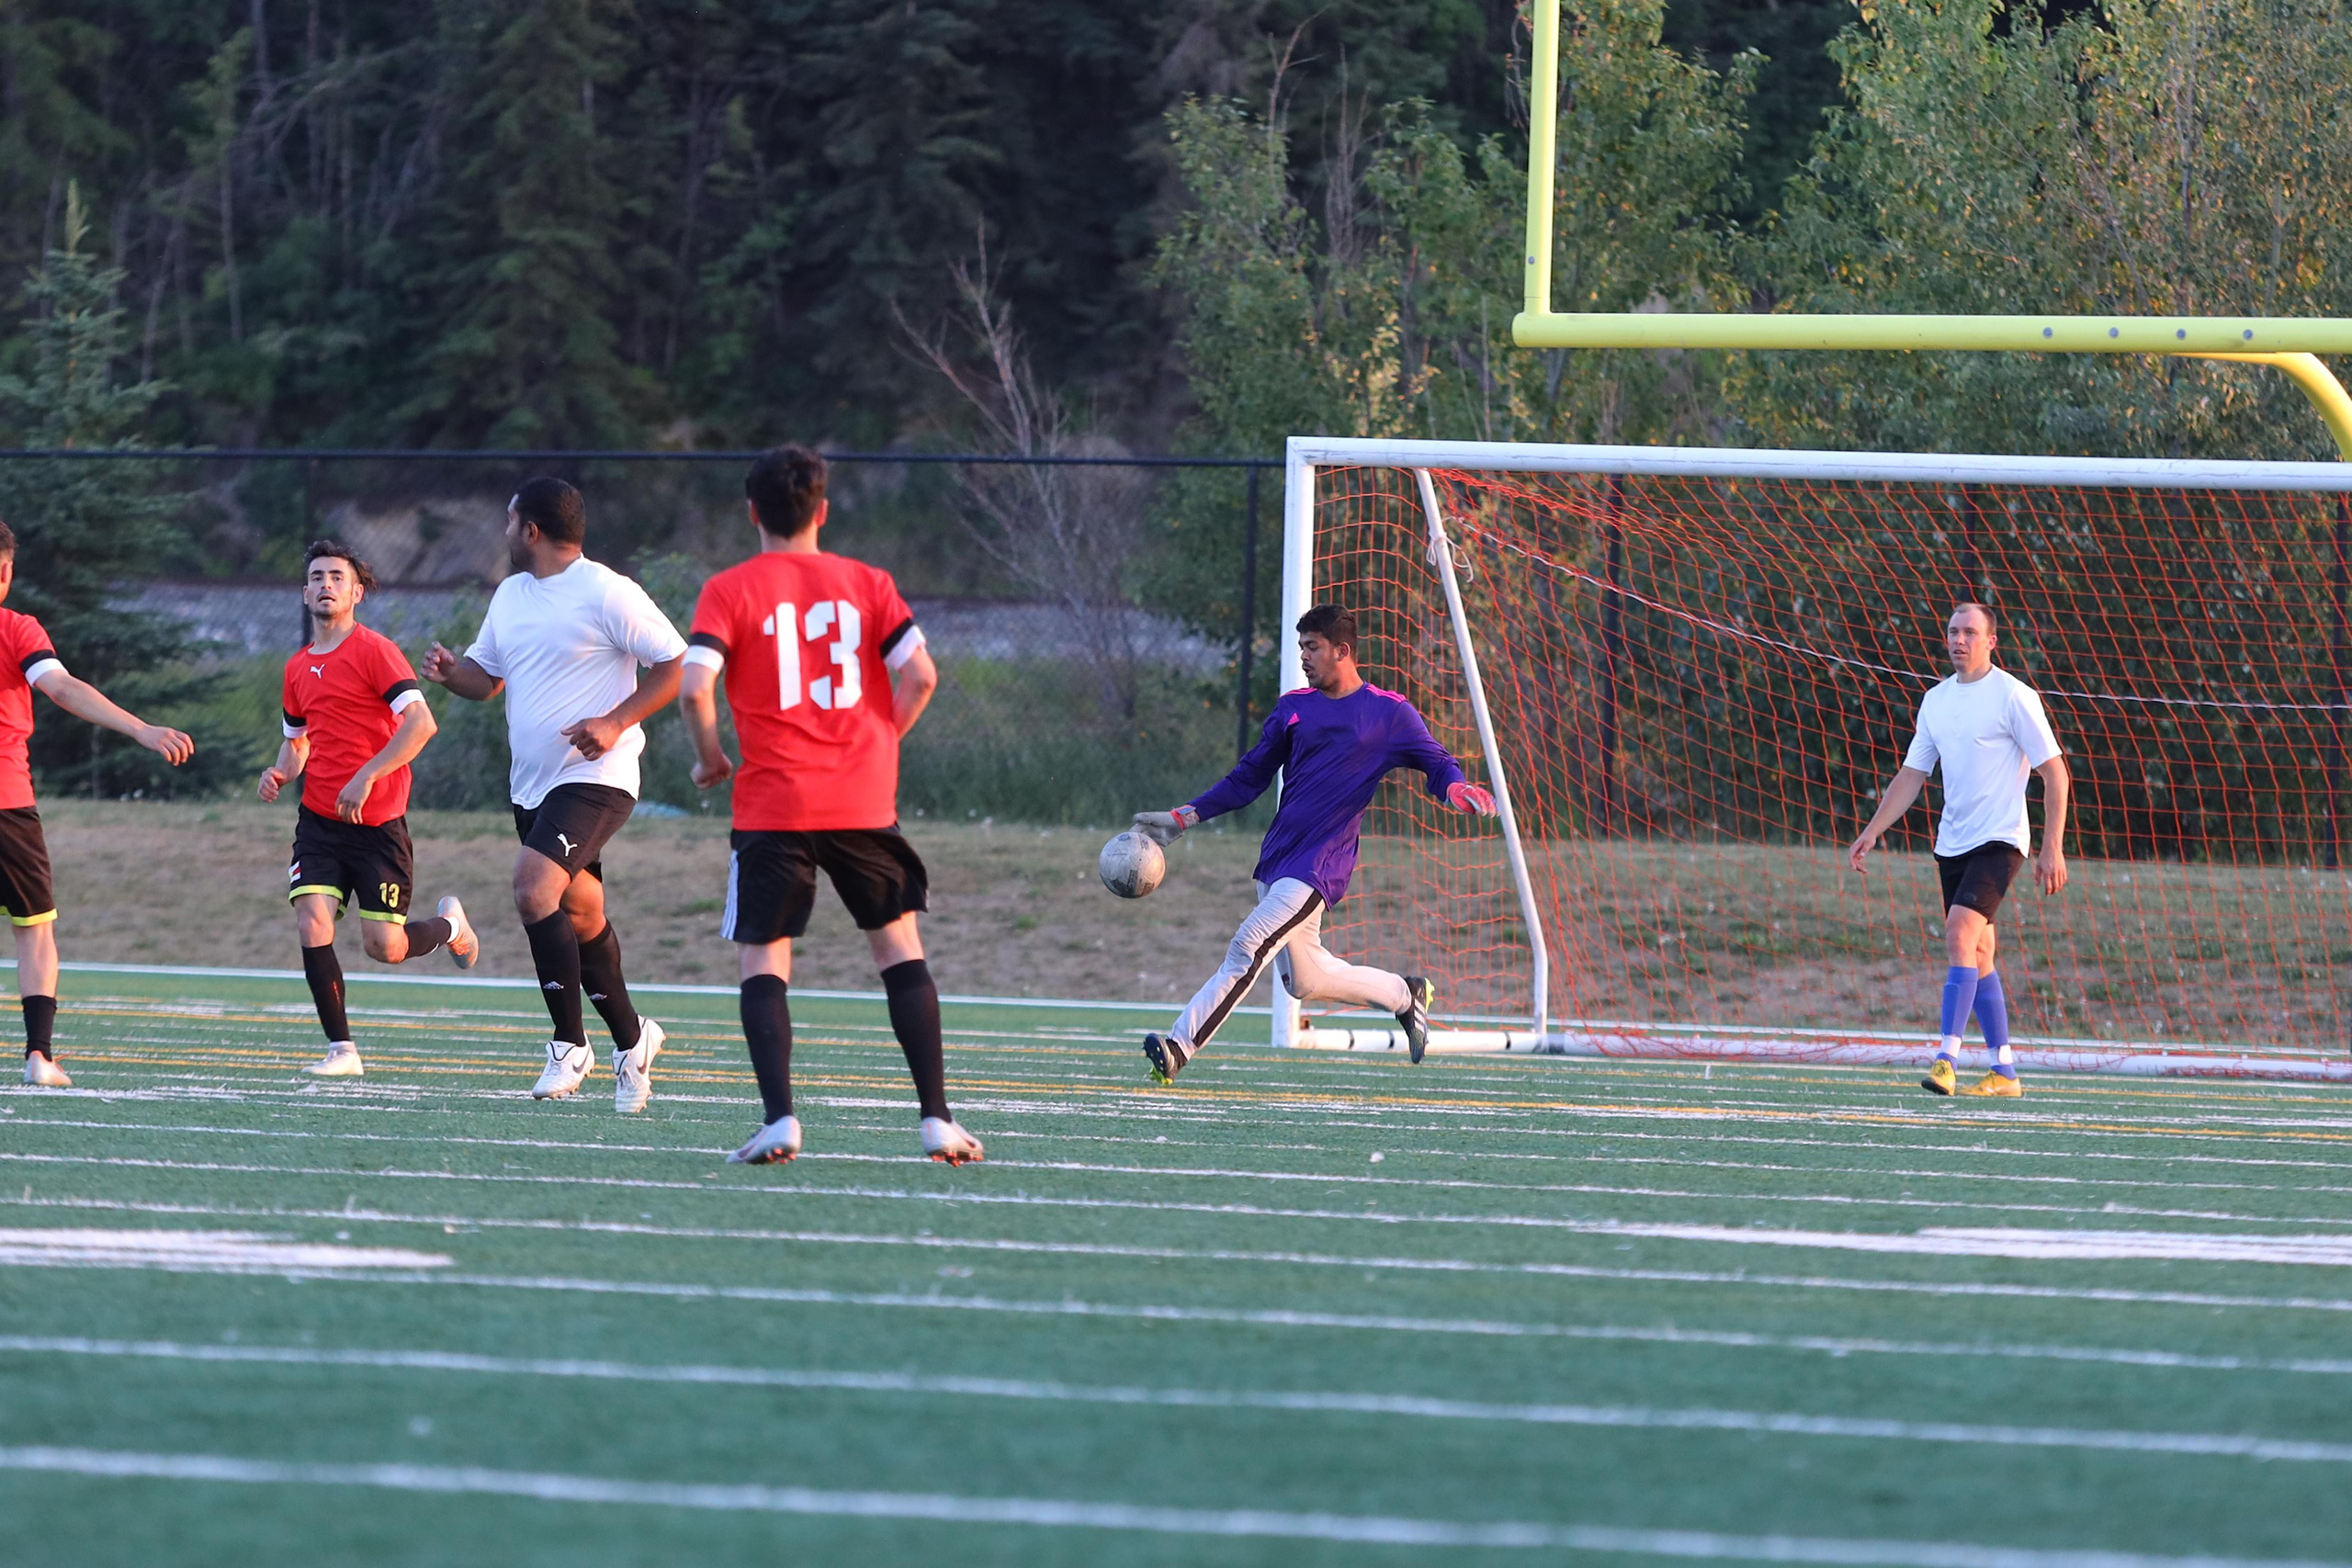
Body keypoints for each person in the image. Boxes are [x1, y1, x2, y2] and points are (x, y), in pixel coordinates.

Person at [679, 444, 981, 1166]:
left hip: (775, 802)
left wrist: (710, 758)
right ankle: (936, 1119)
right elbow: (922, 675)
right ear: (821, 511)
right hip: (862, 798)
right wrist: (879, 740)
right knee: (898, 948)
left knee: (764, 957)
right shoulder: (869, 582)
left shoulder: (729, 588)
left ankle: (780, 1119)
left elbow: (693, 687)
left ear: (751, 513)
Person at [1130, 604, 1495, 1083]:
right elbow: (1248, 778)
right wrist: (1185, 816)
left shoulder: (1388, 713)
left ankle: (1179, 1047)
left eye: (1312, 647)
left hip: (1319, 866)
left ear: (1342, 650)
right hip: (1278, 859)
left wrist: (1456, 788)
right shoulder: (1294, 709)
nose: (1303, 656)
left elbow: (1438, 762)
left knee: (1249, 943)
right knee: (1306, 981)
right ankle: (1405, 995)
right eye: (1301, 646)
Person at [421, 478, 686, 1111]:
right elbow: (486, 679)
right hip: (532, 787)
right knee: (582, 913)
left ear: (532, 530)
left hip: (597, 777)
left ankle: (570, 1044)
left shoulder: (608, 591)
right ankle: (634, 1040)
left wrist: (615, 722)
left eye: (510, 521)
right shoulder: (511, 595)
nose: (505, 532)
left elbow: (677, 665)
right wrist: (452, 674)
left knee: (532, 887)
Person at [258, 539, 480, 1077]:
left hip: (378, 824)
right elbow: (297, 741)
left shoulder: (376, 651)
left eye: (338, 577)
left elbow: (422, 725)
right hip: (320, 822)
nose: (326, 585)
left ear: (357, 593)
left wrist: (366, 775)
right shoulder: (296, 667)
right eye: (317, 577)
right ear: (304, 593)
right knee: (312, 919)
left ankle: (450, 926)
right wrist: (281, 772)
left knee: (385, 947)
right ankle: (342, 1050)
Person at [0, 518, 196, 1087]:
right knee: (34, 930)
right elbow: (61, 687)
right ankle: (39, 1056)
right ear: (6, 571)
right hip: (7, 803)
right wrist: (140, 729)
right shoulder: (16, 628)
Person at [1848, 601, 2070, 1099]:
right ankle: (2004, 1072)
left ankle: (1946, 1059)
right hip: (1953, 843)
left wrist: (2051, 847)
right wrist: (1873, 829)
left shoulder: (2014, 696)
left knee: (1958, 933)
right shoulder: (1936, 700)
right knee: (1980, 951)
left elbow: (2055, 772)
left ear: (1991, 641)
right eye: (1953, 631)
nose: (1959, 640)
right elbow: (1912, 774)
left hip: (2001, 839)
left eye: (1970, 632)